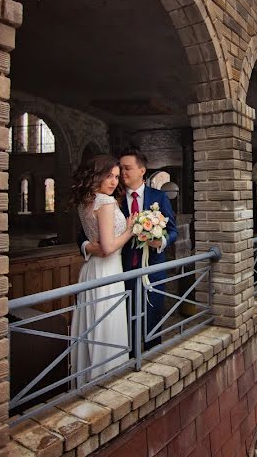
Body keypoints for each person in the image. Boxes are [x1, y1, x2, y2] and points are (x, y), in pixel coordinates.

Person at [80, 148, 178, 352]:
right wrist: (88, 247)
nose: (122, 174)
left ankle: (152, 362)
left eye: (127, 168)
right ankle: (130, 361)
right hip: (121, 271)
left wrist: (161, 242)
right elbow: (85, 232)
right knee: (124, 324)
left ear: (142, 170)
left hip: (153, 271)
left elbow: (173, 231)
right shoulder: (113, 198)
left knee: (153, 323)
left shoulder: (159, 197)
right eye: (118, 170)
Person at [69, 154, 138, 386]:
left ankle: (89, 377)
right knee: (106, 324)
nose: (114, 181)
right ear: (96, 175)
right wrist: (130, 229)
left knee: (93, 324)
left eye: (117, 177)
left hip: (91, 270)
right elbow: (108, 248)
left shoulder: (85, 201)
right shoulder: (106, 203)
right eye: (108, 175)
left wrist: (90, 246)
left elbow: (98, 242)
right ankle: (106, 378)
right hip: (107, 271)